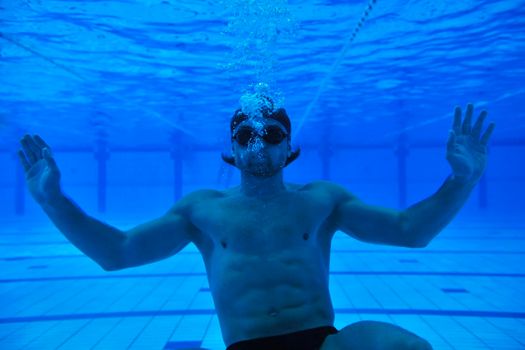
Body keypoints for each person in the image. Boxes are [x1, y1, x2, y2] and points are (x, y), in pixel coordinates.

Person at [18, 98, 495, 350]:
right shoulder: (202, 209)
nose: (257, 144)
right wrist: (53, 201)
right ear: (231, 147)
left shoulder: (322, 200)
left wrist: (463, 179)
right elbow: (117, 252)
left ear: (289, 147)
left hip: (321, 343)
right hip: (245, 346)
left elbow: (411, 230)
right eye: (245, 135)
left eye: (271, 135)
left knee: (404, 347)